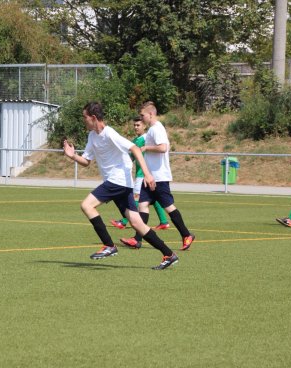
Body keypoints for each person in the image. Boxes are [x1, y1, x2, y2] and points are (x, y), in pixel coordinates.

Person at [63, 101, 179, 270]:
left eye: (85, 117)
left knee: (87, 205)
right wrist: (72, 156)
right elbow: (87, 162)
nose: (83, 120)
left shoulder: (109, 134)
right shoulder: (92, 136)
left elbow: (136, 149)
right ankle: (169, 254)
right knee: (137, 223)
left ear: (93, 118)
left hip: (117, 181)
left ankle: (109, 245)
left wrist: (147, 174)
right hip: (119, 184)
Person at [121, 101, 195, 251]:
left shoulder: (156, 129)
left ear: (150, 114)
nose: (141, 119)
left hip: (159, 177)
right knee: (142, 205)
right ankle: (137, 239)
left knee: (168, 207)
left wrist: (146, 147)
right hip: (150, 177)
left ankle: (186, 234)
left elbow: (163, 148)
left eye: (142, 115)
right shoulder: (152, 130)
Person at [110, 116, 170, 233]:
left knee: (135, 198)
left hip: (143, 174)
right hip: (143, 173)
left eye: (138, 125)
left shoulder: (144, 139)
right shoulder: (136, 140)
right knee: (153, 198)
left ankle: (124, 221)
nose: (136, 127)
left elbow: (159, 148)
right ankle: (163, 221)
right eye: (134, 125)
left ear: (144, 126)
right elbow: (131, 157)